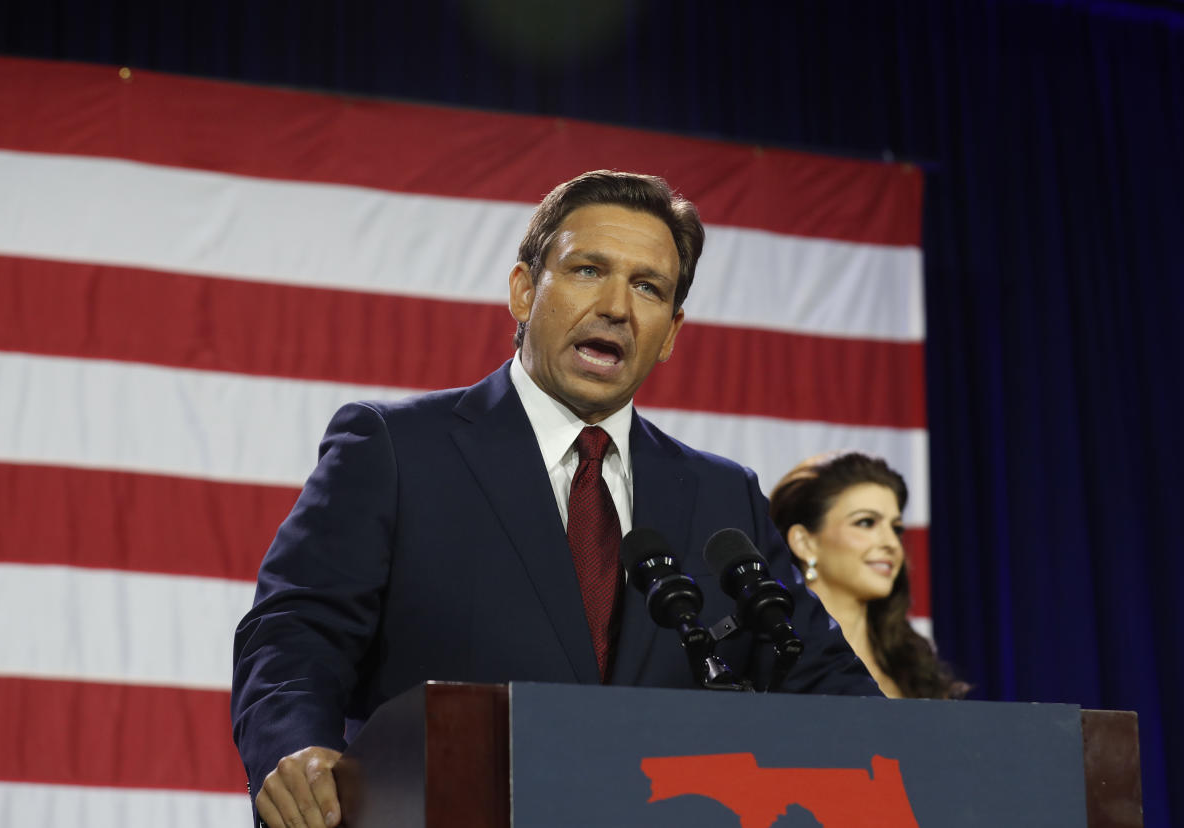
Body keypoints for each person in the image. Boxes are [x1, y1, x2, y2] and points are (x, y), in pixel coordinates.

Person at [231, 170, 879, 828]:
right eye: (588, 270)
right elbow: (295, 636)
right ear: (523, 291)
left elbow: (824, 682)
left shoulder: (722, 497)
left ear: (672, 331)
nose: (617, 308)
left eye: (648, 287)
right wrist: (297, 748)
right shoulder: (396, 449)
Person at [768, 452, 969, 700]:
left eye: (896, 529)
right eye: (866, 522)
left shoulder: (916, 670)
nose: (892, 543)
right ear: (804, 542)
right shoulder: (772, 660)